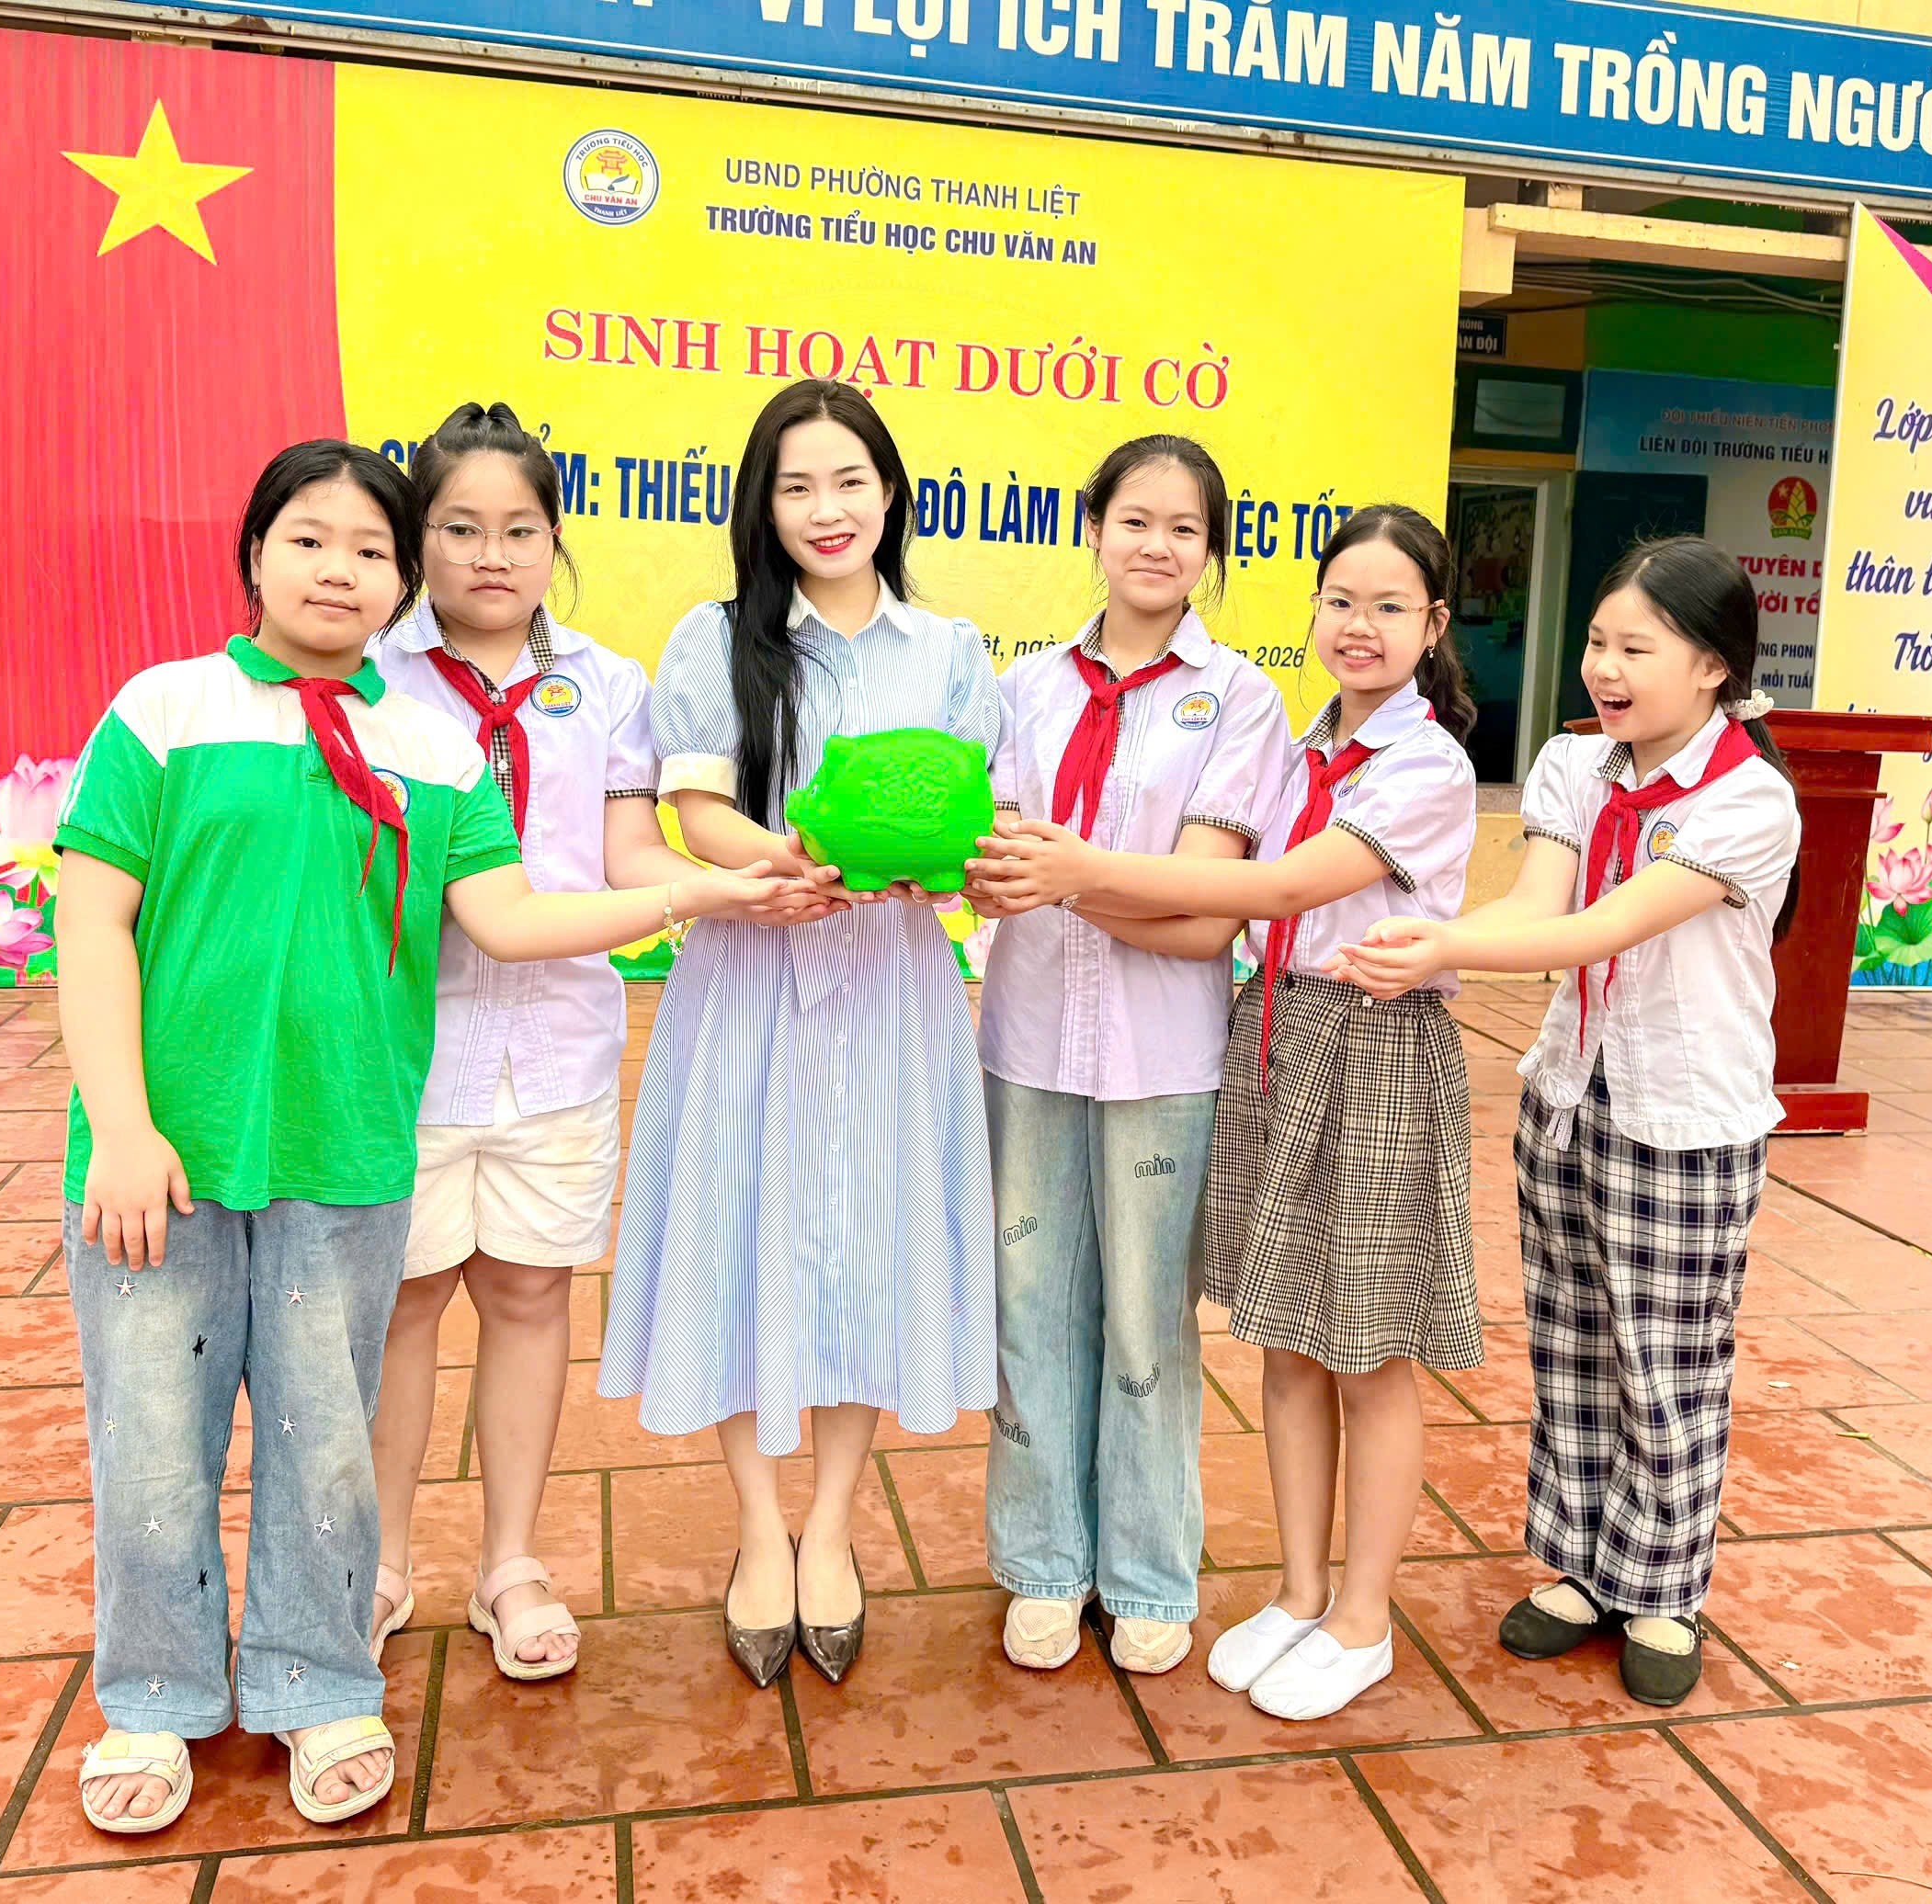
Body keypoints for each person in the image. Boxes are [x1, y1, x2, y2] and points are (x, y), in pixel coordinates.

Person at [59, 440, 786, 1835]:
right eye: (308, 540)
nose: (338, 570)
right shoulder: (165, 710)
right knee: (151, 1441)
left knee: (327, 1437)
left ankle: (319, 1677)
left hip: (344, 1153)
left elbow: (509, 917)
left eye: (367, 551)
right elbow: (90, 921)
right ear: (255, 555)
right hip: (162, 1166)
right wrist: (126, 1128)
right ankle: (153, 1698)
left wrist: (703, 896)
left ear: (397, 581)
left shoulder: (433, 746)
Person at [971, 504, 1481, 1721]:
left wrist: (1071, 871)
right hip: (1275, 1037)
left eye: (1389, 607)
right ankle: (1299, 1592)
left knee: (1366, 1345)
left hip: (1373, 1046)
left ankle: (1359, 1616)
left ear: (1434, 625)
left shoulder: (1423, 764)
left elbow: (1271, 889)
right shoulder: (1303, 747)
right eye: (1341, 601)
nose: (1358, 626)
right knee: (1286, 1338)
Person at [364, 402, 825, 1684]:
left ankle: (510, 1562)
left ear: (554, 540)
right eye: (460, 528)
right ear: (417, 537)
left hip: (557, 1052)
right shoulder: (370, 672)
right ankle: (379, 1562)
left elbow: (629, 852)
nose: (490, 556)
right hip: (398, 1053)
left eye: (519, 530)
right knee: (401, 1305)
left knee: (528, 1297)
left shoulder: (609, 684)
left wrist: (733, 883)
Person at [1334, 535, 1801, 1710]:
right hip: (1568, 1093)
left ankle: (1664, 1587)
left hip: (1685, 1115)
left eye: (1636, 647)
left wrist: (1441, 947)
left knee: (1668, 1358)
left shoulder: (1748, 799)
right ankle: (1587, 1567)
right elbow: (1538, 901)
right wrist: (1437, 932)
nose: (1604, 666)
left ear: (1712, 666)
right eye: (1597, 641)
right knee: (1574, 1341)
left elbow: (1605, 926)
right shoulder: (1572, 765)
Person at [598, 379, 1002, 1689]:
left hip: (891, 987)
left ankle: (830, 1528)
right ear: (761, 507)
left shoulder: (948, 651)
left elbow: (970, 824)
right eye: (796, 486)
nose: (827, 510)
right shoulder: (717, 638)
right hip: (752, 975)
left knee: (869, 1243)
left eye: (849, 481)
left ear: (892, 494)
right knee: (738, 1232)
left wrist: (940, 869)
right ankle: (758, 1531)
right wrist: (779, 862)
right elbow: (696, 812)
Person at [969, 435, 1290, 1678]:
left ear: (1213, 551)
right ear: (1091, 525)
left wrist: (1064, 874)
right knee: (1031, 1305)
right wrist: (1085, 882)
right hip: (1027, 1041)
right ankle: (1044, 1563)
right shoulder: (1021, 690)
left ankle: (1151, 1571)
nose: (1157, 546)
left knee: (1149, 1321)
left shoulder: (1240, 699)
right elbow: (997, 865)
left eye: (1185, 528)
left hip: (1166, 1058)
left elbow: (1208, 908)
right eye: (1136, 520)